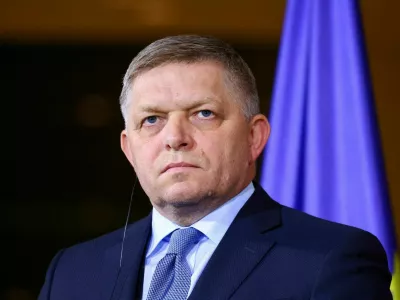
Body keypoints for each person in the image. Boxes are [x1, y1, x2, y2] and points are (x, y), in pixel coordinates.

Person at [38, 35, 392, 300]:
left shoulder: (332, 259)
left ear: (254, 137)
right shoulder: (71, 273)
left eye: (203, 114)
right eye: (152, 120)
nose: (175, 137)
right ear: (129, 150)